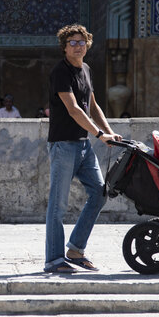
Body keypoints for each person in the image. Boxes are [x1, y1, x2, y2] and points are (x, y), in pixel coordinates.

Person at [45, 24, 123, 273]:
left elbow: (92, 105)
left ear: (87, 44)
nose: (77, 46)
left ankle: (76, 249)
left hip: (82, 146)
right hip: (63, 145)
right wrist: (99, 135)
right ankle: (54, 259)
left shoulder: (86, 69)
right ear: (64, 48)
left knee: (100, 194)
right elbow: (74, 109)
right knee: (58, 205)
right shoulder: (61, 72)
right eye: (72, 43)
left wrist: (109, 131)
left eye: (81, 42)